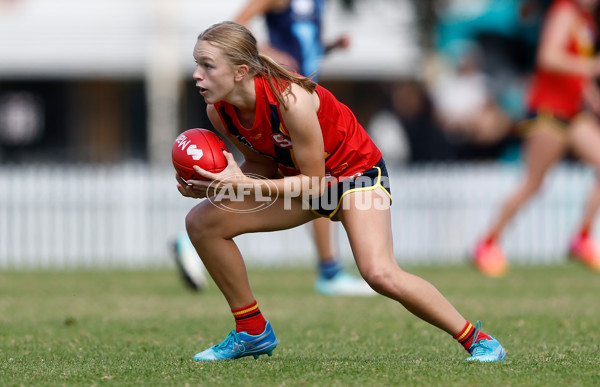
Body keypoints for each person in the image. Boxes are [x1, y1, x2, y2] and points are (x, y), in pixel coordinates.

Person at [177, 21, 506, 362]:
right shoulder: (218, 111)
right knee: (201, 223)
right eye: (197, 64)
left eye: (207, 65)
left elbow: (316, 183)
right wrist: (216, 186)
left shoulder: (291, 100)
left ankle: (480, 341)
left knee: (380, 274)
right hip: (303, 182)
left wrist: (241, 185)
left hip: (356, 176)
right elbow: (263, 163)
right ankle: (252, 332)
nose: (197, 75)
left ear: (240, 71)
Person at [174, 0, 373, 297]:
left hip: (298, 98)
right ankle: (329, 270)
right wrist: (265, 55)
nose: (197, 74)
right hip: (273, 97)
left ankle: (329, 270)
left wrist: (329, 47)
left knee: (316, 178)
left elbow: (305, 49)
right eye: (198, 65)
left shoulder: (318, 5)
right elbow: (237, 30)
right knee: (311, 177)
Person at [472, 0, 600, 277]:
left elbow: (575, 69)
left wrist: (591, 96)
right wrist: (591, 66)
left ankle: (582, 238)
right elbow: (549, 57)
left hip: (573, 112)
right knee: (533, 184)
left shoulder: (584, 18)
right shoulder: (565, 10)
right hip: (549, 111)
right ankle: (487, 243)